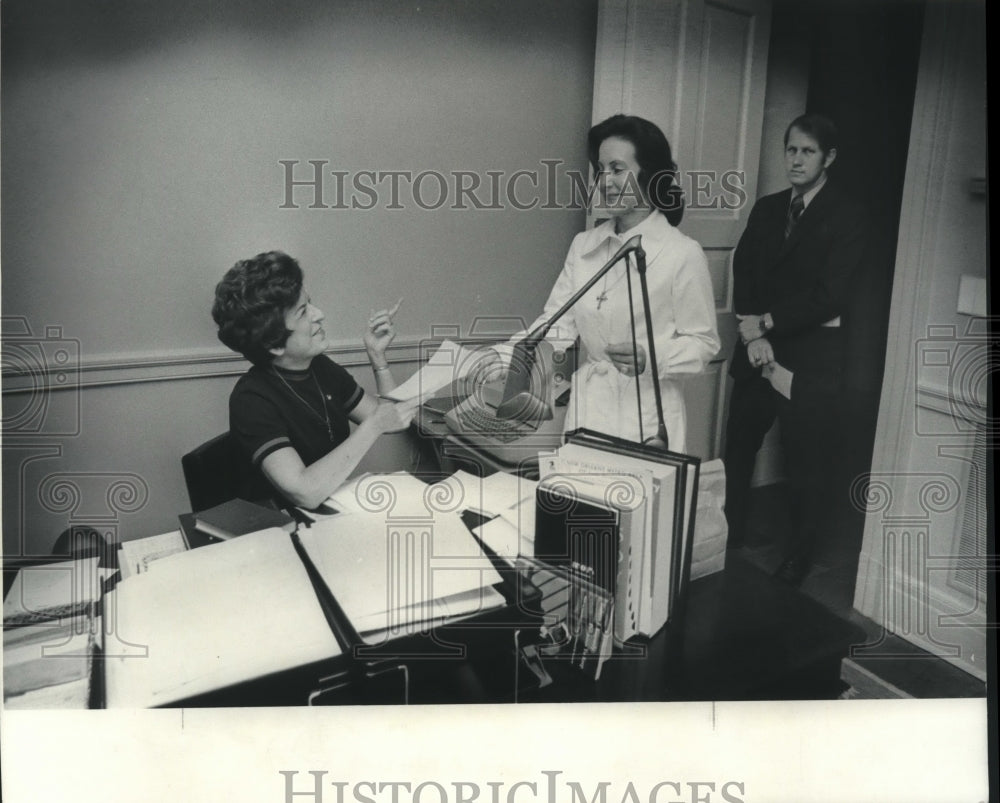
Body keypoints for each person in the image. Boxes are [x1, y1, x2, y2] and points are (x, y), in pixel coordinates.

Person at [492, 114, 719, 453]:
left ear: (650, 175)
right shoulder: (584, 246)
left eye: (617, 169)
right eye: (601, 170)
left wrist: (651, 357)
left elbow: (704, 344)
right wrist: (499, 358)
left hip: (646, 415)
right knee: (582, 504)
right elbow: (555, 325)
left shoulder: (682, 254)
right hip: (589, 410)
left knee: (639, 505)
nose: (605, 181)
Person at [723, 113, 869, 586]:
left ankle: (799, 555)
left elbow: (832, 294)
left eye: (808, 151)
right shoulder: (767, 209)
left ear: (829, 158)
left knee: (803, 459)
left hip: (808, 360)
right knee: (739, 445)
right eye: (791, 150)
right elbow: (743, 271)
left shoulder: (847, 215)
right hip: (756, 353)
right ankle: (728, 533)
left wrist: (767, 322)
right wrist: (753, 335)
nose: (797, 159)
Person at [212, 251, 415, 510]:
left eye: (311, 303)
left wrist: (378, 357)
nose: (319, 314)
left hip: (331, 513)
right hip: (281, 530)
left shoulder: (320, 367)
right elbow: (304, 492)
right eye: (303, 311)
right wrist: (373, 426)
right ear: (273, 343)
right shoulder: (250, 399)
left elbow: (392, 420)